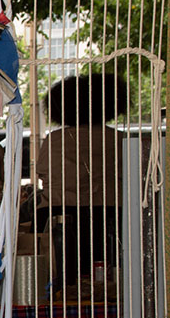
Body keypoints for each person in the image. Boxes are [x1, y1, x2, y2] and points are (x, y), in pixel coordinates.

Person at [33, 73, 128, 290]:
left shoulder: (54, 140)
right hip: (113, 219)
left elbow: (44, 176)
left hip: (62, 222)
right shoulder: (120, 139)